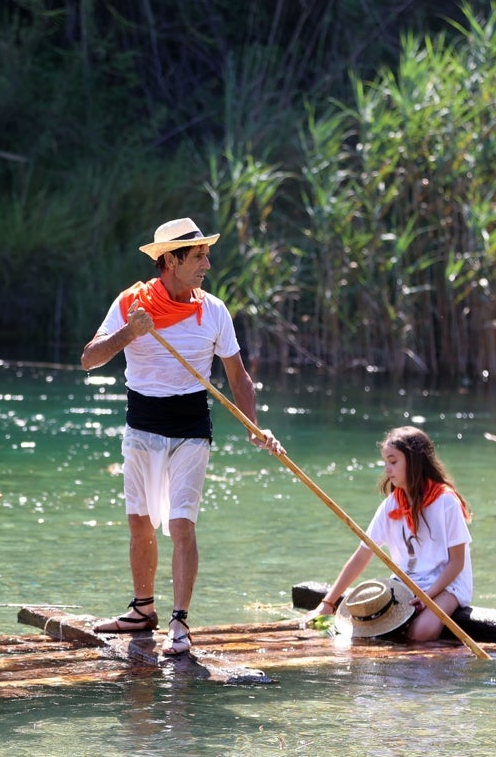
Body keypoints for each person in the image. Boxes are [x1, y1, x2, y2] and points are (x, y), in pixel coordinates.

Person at [81, 217, 284, 656]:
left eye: (205, 255)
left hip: (192, 429)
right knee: (139, 523)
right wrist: (128, 333)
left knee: (181, 525)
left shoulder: (213, 310)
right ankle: (142, 610)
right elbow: (89, 360)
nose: (207, 263)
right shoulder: (131, 304)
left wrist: (254, 427)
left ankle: (179, 622)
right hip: (142, 426)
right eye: (198, 256)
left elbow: (239, 377)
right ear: (169, 260)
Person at [304, 426, 473, 642]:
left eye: (393, 462)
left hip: (448, 584)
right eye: (386, 462)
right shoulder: (391, 505)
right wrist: (327, 604)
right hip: (406, 584)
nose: (387, 469)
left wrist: (427, 597)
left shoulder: (445, 502)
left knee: (421, 632)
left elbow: (457, 563)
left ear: (415, 462)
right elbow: (362, 556)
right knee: (369, 628)